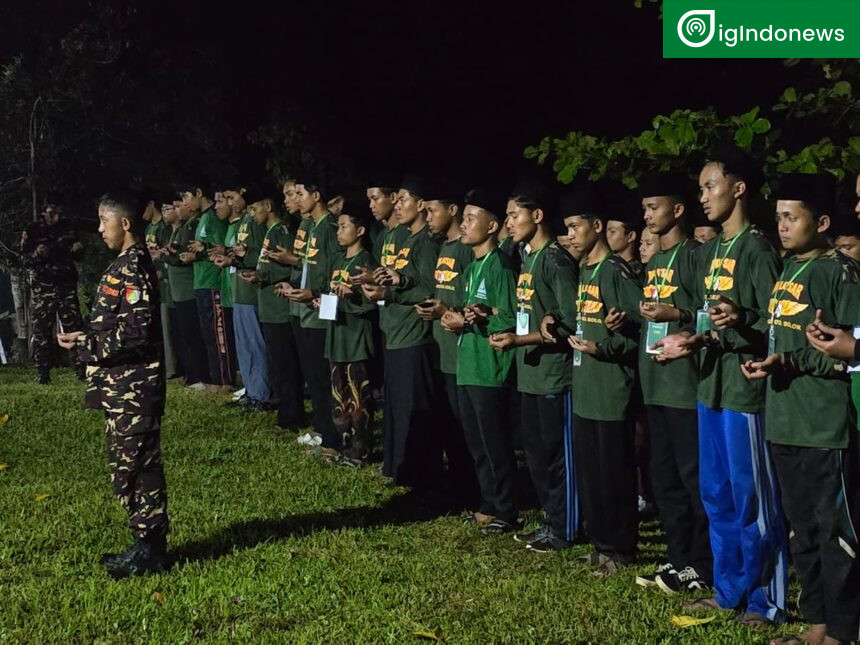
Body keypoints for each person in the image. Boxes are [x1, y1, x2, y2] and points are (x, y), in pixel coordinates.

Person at [655, 147, 787, 626]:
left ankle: (765, 600)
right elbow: (709, 316)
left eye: (711, 186)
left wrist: (741, 322)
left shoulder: (756, 247)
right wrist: (692, 337)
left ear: (739, 189)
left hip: (744, 391)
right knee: (717, 494)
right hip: (710, 384)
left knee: (752, 499)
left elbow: (774, 324)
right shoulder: (712, 251)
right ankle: (728, 590)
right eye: (702, 188)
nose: (703, 196)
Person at [740, 173, 859, 645]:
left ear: (823, 221)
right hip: (785, 419)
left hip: (826, 427)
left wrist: (793, 360)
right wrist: (773, 362)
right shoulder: (788, 270)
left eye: (792, 218)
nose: (783, 227)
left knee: (836, 535)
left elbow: (850, 352)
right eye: (779, 218)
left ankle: (844, 630)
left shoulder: (839, 272)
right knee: (802, 531)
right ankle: (817, 623)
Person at [57, 192, 169, 578]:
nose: (100, 229)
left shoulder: (134, 266)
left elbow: (137, 332)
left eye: (105, 221)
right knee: (131, 464)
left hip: (134, 388)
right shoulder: (122, 264)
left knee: (137, 464)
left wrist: (86, 345)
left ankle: (151, 549)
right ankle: (143, 543)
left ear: (125, 224)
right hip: (121, 386)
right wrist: (83, 336)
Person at [489, 178, 580, 552]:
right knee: (538, 457)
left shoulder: (556, 260)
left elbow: (569, 320)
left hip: (552, 376)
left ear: (537, 215)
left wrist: (518, 339)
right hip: (529, 373)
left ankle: (567, 526)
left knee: (558, 457)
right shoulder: (527, 256)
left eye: (514, 215)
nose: (508, 223)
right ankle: (550, 519)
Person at [633, 172, 711, 594]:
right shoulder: (655, 261)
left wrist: (675, 315)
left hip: (685, 387)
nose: (646, 216)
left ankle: (702, 563)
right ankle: (678, 559)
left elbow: (708, 314)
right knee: (663, 478)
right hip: (656, 382)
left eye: (653, 207)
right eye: (644, 208)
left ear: (678, 210)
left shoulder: (694, 256)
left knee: (692, 477)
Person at [561, 189, 642, 577]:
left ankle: (621, 549)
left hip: (611, 390)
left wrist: (603, 347)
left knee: (614, 473)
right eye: (567, 229)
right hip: (586, 388)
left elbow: (637, 332)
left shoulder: (614, 271)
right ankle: (600, 544)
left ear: (596, 227)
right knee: (591, 473)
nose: (571, 235)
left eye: (576, 227)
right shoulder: (584, 271)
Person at [442, 187, 518, 534]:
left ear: (491, 226)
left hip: (490, 367)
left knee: (495, 440)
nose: (464, 223)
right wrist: (456, 317)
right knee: (476, 440)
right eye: (465, 217)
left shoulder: (500, 265)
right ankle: (488, 502)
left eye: (472, 218)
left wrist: (476, 319)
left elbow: (510, 317)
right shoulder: (472, 266)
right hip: (468, 363)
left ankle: (506, 507)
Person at [361, 176, 443, 493]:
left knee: (416, 409)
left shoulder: (427, 243)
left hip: (414, 335)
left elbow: (429, 288)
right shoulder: (405, 237)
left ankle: (424, 478)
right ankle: (399, 468)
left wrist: (394, 288)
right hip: (393, 330)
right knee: (397, 405)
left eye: (403, 200)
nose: (397, 205)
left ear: (421, 205)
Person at [415, 179, 479, 511]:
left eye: (432, 210)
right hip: (442, 350)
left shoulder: (467, 250)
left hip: (463, 355)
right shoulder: (442, 248)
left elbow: (473, 303)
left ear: (452, 210)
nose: (426, 216)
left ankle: (475, 495)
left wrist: (448, 312)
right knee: (448, 426)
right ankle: (456, 490)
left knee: (467, 431)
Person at [281, 176, 339, 450]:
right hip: (304, 307)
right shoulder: (311, 225)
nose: (297, 198)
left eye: (301, 193)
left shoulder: (328, 227)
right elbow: (307, 266)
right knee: (312, 374)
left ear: (316, 196)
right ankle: (321, 426)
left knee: (321, 374)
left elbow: (332, 270)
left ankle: (331, 432)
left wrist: (315, 294)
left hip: (319, 310)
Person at [324, 201, 378, 465]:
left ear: (360, 231)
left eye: (344, 226)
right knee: (339, 394)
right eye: (338, 226)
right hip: (336, 335)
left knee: (360, 398)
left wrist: (352, 294)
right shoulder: (336, 259)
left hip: (356, 338)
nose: (339, 231)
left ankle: (361, 450)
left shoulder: (365, 261)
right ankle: (342, 443)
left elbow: (370, 303)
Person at [245, 195, 304, 424]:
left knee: (286, 364)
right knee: (278, 363)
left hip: (279, 308)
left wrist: (264, 275)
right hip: (268, 306)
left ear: (268, 206)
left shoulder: (282, 232)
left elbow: (291, 267)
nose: (252, 214)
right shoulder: (269, 232)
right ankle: (285, 411)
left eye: (254, 208)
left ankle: (292, 415)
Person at [21, 201, 85, 384]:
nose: (56, 217)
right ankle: (43, 372)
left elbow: (78, 252)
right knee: (42, 331)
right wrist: (37, 255)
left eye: (59, 213)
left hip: (66, 285)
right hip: (44, 287)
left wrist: (78, 251)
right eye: (52, 213)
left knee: (74, 328)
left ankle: (81, 370)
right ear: (43, 213)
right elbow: (24, 259)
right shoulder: (33, 230)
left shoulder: (68, 228)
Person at [223, 183, 273, 409]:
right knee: (244, 346)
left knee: (256, 344)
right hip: (239, 292)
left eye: (233, 197)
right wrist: (231, 258)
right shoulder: (244, 221)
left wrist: (245, 255)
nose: (231, 202)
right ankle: (251, 391)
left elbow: (263, 258)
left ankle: (261, 393)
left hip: (252, 294)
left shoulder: (257, 223)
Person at [183, 185, 232, 391]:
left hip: (213, 283)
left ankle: (224, 380)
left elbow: (220, 248)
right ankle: (215, 379)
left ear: (199, 193)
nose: (185, 202)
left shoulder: (213, 217)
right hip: (202, 282)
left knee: (218, 334)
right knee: (209, 335)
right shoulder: (204, 218)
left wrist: (201, 253)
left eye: (187, 197)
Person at [162, 188, 208, 389]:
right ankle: (191, 374)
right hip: (180, 291)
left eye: (182, 203)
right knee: (185, 336)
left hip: (189, 289)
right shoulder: (184, 227)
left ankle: (199, 375)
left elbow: (184, 256)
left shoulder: (193, 225)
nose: (181, 207)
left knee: (194, 336)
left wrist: (168, 255)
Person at [144, 198, 179, 379]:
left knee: (169, 329)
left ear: (152, 205)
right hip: (154, 287)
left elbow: (167, 255)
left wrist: (160, 274)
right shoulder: (149, 228)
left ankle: (172, 369)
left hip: (167, 286)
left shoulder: (164, 228)